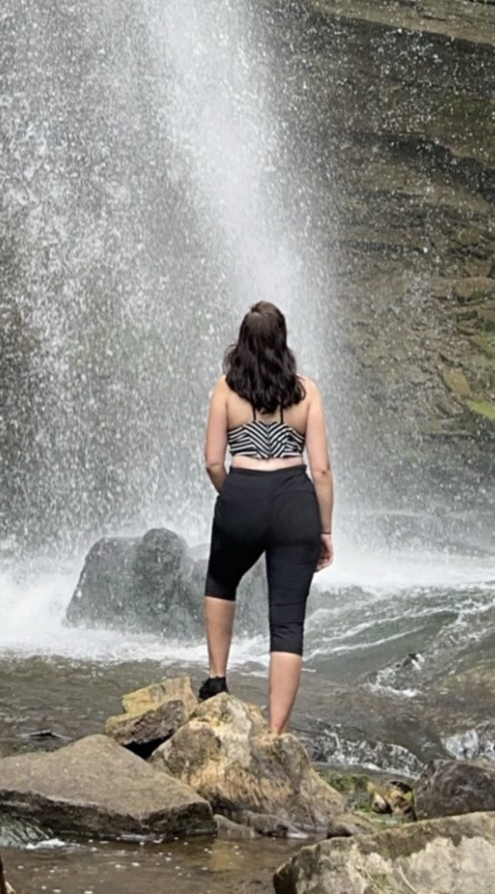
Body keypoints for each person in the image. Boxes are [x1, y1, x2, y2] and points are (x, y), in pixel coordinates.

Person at [199, 299, 332, 737]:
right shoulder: (307, 392)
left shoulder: (225, 389)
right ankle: (276, 732)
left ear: (243, 342)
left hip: (243, 493)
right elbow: (323, 470)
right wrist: (325, 529)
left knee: (221, 579)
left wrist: (236, 497)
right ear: (282, 342)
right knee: (288, 620)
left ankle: (217, 680)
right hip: (296, 501)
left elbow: (214, 462)